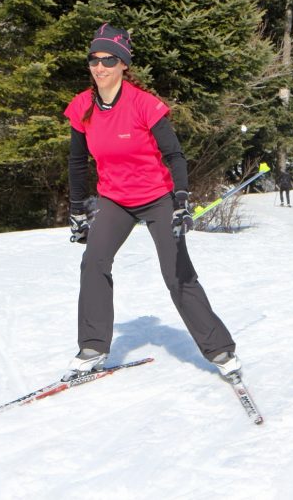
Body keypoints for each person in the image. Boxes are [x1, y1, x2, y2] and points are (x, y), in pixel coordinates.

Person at [63, 23, 240, 381]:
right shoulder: (82, 106)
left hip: (157, 197)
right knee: (94, 261)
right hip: (115, 199)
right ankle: (94, 345)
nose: (100, 68)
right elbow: (77, 162)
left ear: (124, 64)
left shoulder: (144, 104)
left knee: (177, 273)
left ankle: (219, 349)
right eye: (94, 60)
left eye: (108, 60)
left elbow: (174, 156)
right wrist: (78, 208)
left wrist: (181, 200)